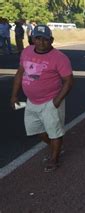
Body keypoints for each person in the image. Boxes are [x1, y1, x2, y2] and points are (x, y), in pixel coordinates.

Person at [10, 25, 73, 172]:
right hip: (31, 101)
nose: (41, 42)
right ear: (32, 39)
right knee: (37, 130)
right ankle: (55, 148)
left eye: (45, 39)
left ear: (51, 40)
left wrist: (56, 101)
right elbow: (20, 73)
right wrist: (14, 95)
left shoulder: (59, 58)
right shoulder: (26, 51)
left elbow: (69, 81)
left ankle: (54, 159)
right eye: (37, 38)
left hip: (50, 101)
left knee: (54, 132)